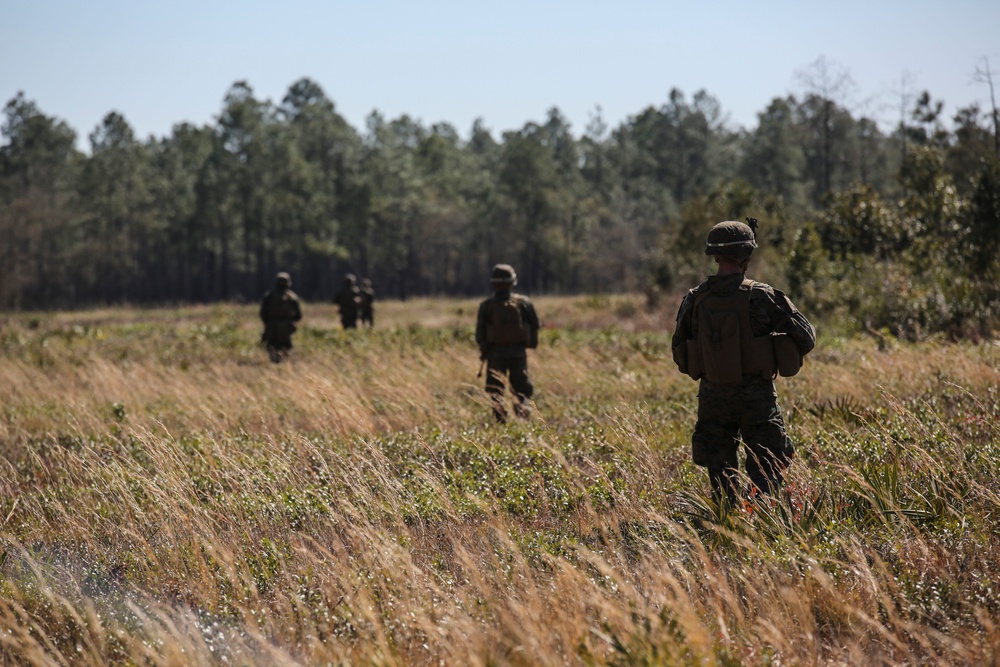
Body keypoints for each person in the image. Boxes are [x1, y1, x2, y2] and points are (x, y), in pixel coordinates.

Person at [671, 218, 816, 508]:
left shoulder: (695, 299)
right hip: (757, 397)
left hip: (712, 397)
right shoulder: (762, 296)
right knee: (767, 466)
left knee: (720, 470)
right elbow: (806, 337)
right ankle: (762, 519)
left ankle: (727, 521)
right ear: (747, 257)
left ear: (714, 256)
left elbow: (679, 352)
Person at [475, 264, 541, 423]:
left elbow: (479, 333)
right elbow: (535, 325)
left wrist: (485, 348)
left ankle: (500, 421)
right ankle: (523, 418)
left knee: (495, 389)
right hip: (518, 353)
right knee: (521, 388)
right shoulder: (524, 303)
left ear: (493, 283)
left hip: (495, 354)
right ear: (512, 282)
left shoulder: (486, 306)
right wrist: (528, 343)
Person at [259, 271, 303, 363]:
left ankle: (275, 362)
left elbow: (263, 313)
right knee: (284, 347)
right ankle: (283, 363)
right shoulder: (292, 297)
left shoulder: (269, 296)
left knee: (272, 346)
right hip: (286, 327)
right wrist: (290, 322)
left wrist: (268, 323)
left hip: (272, 326)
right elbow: (299, 315)